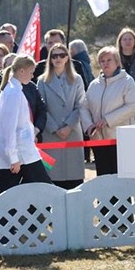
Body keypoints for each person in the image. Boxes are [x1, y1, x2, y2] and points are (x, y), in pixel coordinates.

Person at [0, 54, 51, 192]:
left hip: (21, 151)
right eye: (31, 72)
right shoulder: (13, 92)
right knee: (43, 187)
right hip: (20, 153)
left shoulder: (13, 90)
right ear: (22, 71)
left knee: (9, 191)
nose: (32, 76)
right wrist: (13, 157)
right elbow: (9, 127)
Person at [82, 46, 135, 175]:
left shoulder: (127, 82)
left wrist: (108, 120)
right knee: (104, 178)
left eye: (109, 60)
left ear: (117, 62)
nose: (105, 63)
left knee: (121, 179)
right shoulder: (94, 85)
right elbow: (84, 106)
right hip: (98, 140)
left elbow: (132, 106)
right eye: (102, 60)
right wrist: (88, 125)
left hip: (120, 140)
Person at [38, 43, 86, 189]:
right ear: (50, 59)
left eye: (62, 55)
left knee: (74, 180)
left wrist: (68, 126)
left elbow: (81, 105)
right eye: (54, 56)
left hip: (72, 133)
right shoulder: (42, 80)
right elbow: (41, 108)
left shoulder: (77, 79)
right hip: (51, 134)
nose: (58, 59)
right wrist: (55, 128)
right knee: (54, 180)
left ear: (67, 58)